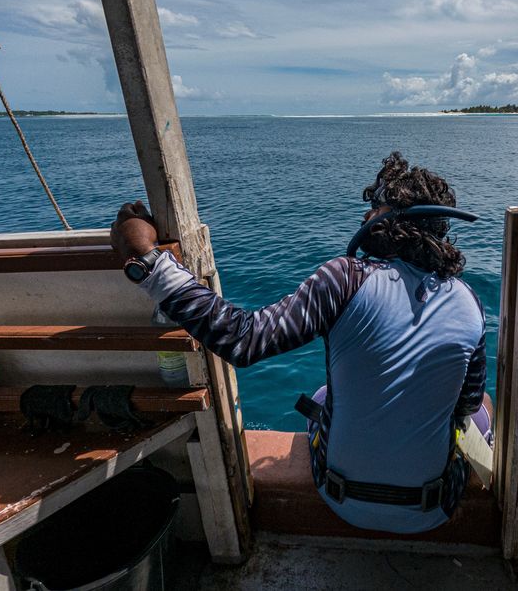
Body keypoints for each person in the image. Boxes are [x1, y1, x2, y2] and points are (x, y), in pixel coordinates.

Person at [111, 152, 489, 534]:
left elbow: (244, 339)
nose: (365, 217)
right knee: (483, 407)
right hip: (432, 509)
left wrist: (147, 261)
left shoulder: (346, 279)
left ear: (394, 221)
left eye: (375, 209)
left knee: (325, 396)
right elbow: (466, 405)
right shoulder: (470, 302)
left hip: (343, 500)